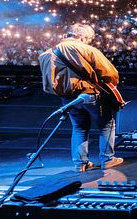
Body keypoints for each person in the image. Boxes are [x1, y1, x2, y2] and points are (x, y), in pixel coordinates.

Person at [39, 23, 123, 171]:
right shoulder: (87, 50)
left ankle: (80, 164)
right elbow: (110, 73)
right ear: (82, 37)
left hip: (67, 98)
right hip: (90, 94)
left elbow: (48, 82)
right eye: (89, 39)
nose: (89, 42)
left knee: (79, 127)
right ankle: (108, 159)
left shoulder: (46, 54)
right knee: (106, 125)